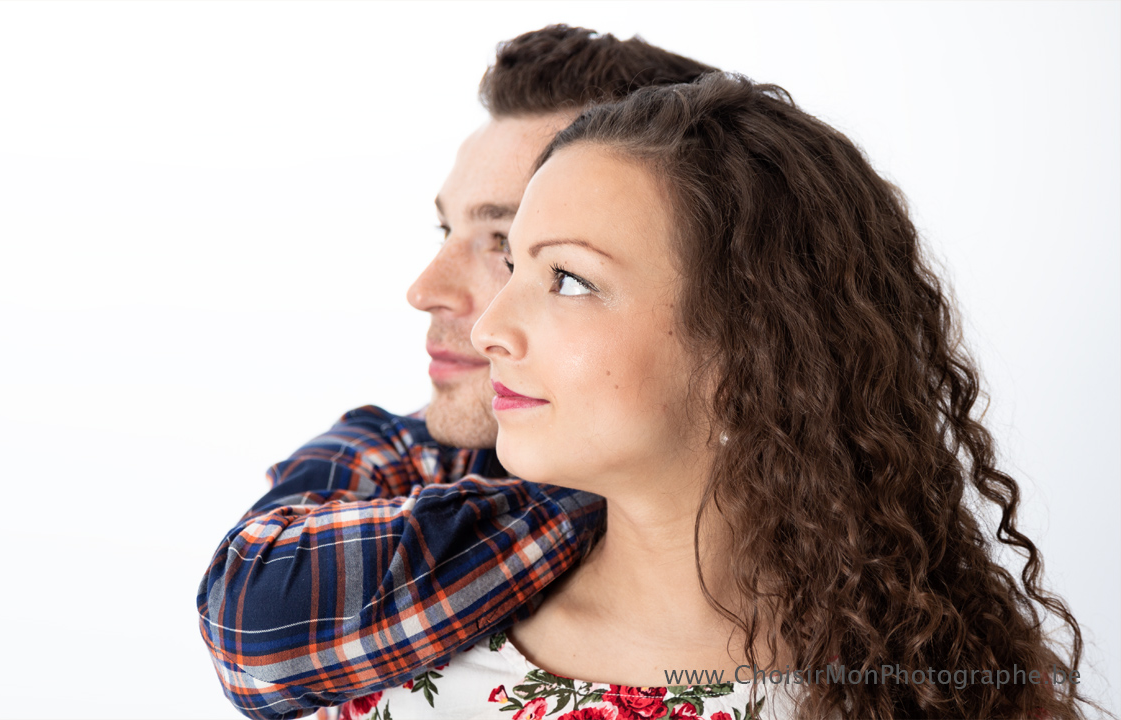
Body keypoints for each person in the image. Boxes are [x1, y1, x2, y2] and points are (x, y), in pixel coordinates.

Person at [336, 72, 1104, 719]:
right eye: (515, 269)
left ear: (749, 343)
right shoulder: (396, 673)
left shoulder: (950, 686)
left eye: (568, 279)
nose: (491, 329)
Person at [197, 26, 717, 720]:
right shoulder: (399, 456)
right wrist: (616, 494)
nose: (425, 288)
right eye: (449, 233)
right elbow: (254, 620)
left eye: (507, 243)